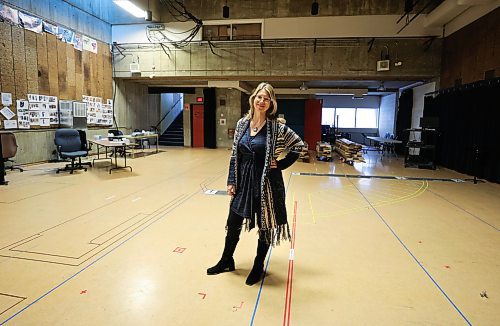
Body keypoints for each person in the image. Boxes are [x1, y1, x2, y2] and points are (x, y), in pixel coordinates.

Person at [207, 82, 304, 285]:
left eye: (266, 98)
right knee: (233, 222)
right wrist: (232, 180)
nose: (262, 101)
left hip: (267, 185)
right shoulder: (243, 124)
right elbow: (235, 155)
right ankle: (226, 260)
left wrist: (281, 163)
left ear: (271, 103)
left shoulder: (276, 127)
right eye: (259, 97)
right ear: (253, 99)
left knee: (265, 226)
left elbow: (299, 145)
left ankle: (258, 266)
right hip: (244, 183)